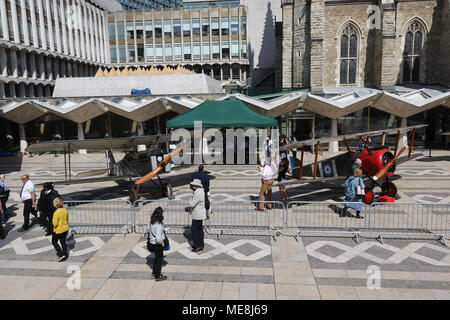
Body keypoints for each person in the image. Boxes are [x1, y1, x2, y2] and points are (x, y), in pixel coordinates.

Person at [148, 207, 167, 281]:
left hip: (152, 243)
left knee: (157, 259)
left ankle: (154, 273)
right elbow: (158, 238)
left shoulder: (152, 221)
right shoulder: (158, 225)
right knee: (159, 261)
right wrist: (162, 243)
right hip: (157, 245)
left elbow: (148, 229)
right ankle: (157, 276)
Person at [189, 179, 206, 252]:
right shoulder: (201, 191)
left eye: (193, 184)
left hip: (197, 214)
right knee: (199, 229)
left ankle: (197, 245)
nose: (192, 185)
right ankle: (201, 244)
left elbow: (192, 204)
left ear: (196, 186)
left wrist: (190, 200)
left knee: (194, 230)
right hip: (200, 213)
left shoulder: (197, 193)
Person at [51, 197, 69, 262]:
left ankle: (61, 255)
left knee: (54, 242)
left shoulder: (56, 213)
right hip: (65, 228)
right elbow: (67, 219)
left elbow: (55, 223)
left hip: (58, 230)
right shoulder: (65, 210)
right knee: (63, 242)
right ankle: (65, 254)